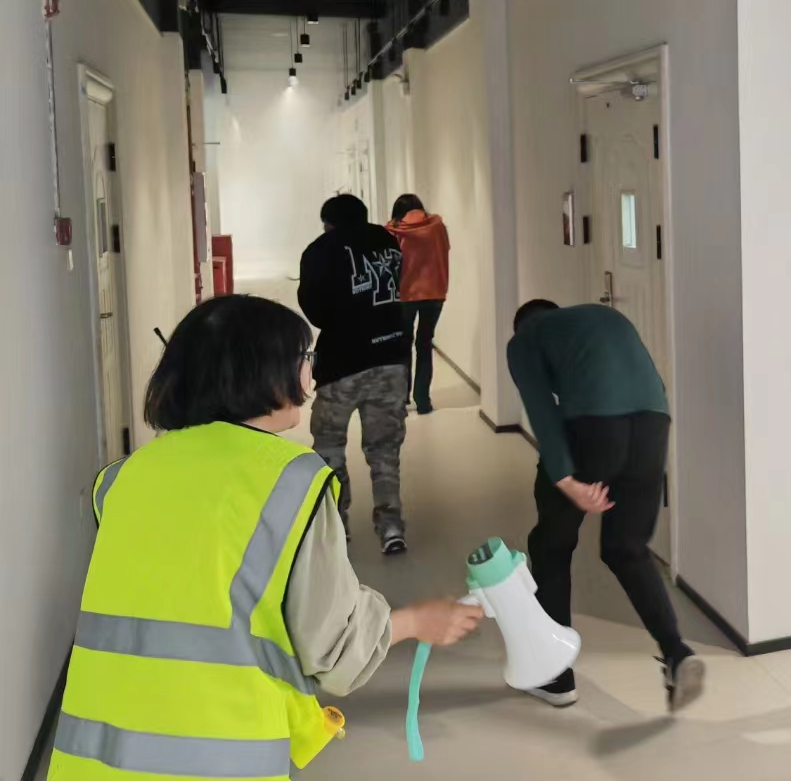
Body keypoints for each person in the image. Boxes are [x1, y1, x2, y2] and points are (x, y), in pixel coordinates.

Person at [49, 295, 483, 781]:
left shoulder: (119, 480)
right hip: (216, 762)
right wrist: (416, 621)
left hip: (88, 762)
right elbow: (335, 650)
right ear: (262, 371)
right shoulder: (292, 482)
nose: (312, 374)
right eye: (305, 357)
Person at [506, 299, 704, 712]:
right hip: (652, 425)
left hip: (594, 425)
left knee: (550, 546)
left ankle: (555, 676)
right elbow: (651, 386)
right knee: (626, 548)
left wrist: (567, 481)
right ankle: (676, 651)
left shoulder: (524, 340)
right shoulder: (603, 319)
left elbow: (542, 411)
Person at [299, 194, 411, 554]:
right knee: (384, 451)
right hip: (391, 359)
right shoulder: (387, 241)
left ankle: (337, 527)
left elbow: (315, 311)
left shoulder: (319, 250)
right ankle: (391, 527)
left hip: (341, 366)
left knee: (329, 447)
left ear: (328, 223)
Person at [386, 193, 450, 415]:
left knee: (403, 344)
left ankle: (400, 399)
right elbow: (445, 251)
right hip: (434, 292)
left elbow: (389, 263)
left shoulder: (394, 230)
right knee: (425, 343)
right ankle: (423, 400)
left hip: (405, 295)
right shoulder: (438, 227)